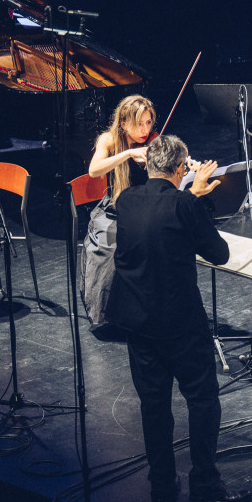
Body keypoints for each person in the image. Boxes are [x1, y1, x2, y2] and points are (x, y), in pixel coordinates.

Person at [106, 134, 251, 502]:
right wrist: (195, 198)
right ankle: (204, 482)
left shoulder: (126, 200)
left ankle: (161, 483)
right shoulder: (185, 204)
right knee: (202, 400)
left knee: (153, 405)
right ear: (180, 168)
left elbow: (158, 228)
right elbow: (219, 253)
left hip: (137, 322)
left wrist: (188, 196)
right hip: (180, 323)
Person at [81, 94, 155, 328]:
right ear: (123, 123)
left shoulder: (154, 142)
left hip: (145, 211)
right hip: (115, 209)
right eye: (139, 124)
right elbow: (94, 170)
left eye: (148, 122)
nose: (145, 130)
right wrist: (128, 153)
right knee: (109, 248)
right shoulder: (109, 140)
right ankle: (107, 314)